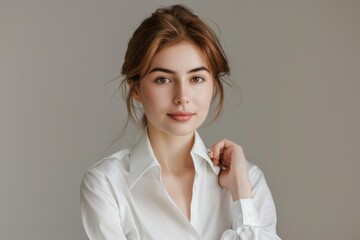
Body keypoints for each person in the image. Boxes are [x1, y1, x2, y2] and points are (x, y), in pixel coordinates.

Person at [80, 4, 281, 240]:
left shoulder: (248, 181)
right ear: (135, 88)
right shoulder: (106, 184)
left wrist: (241, 194)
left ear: (213, 86)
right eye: (163, 79)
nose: (182, 97)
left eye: (196, 78)